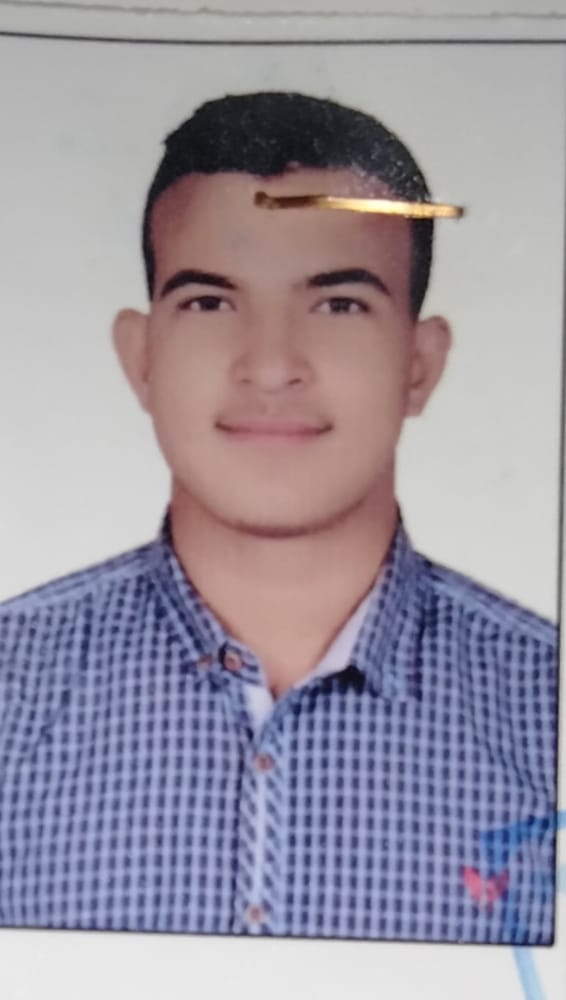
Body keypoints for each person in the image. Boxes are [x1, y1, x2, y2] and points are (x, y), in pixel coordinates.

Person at [0, 91, 557, 943]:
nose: (270, 367)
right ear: (141, 357)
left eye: (338, 304)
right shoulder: (12, 689)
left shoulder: (545, 708)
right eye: (209, 302)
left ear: (419, 364)